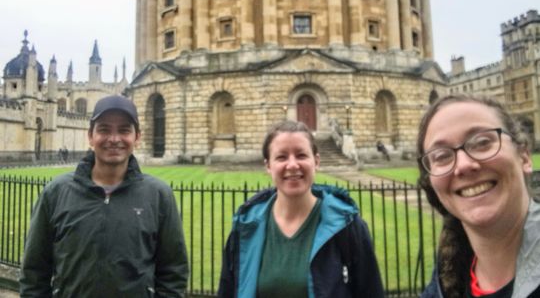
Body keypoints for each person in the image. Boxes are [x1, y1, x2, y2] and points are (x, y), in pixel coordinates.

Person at [20, 95, 189, 297]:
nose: (114, 139)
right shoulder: (56, 192)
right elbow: (34, 271)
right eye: (104, 129)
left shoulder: (159, 195)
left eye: (124, 130)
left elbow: (173, 272)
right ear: (91, 136)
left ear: (137, 137)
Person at [218, 120, 384, 298]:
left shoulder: (348, 227)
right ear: (268, 165)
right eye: (281, 157)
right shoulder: (245, 227)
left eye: (301, 155)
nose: (292, 165)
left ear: (316, 161)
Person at [416, 95, 540, 298]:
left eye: (482, 142)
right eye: (442, 156)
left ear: (524, 157)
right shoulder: (444, 279)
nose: (463, 165)